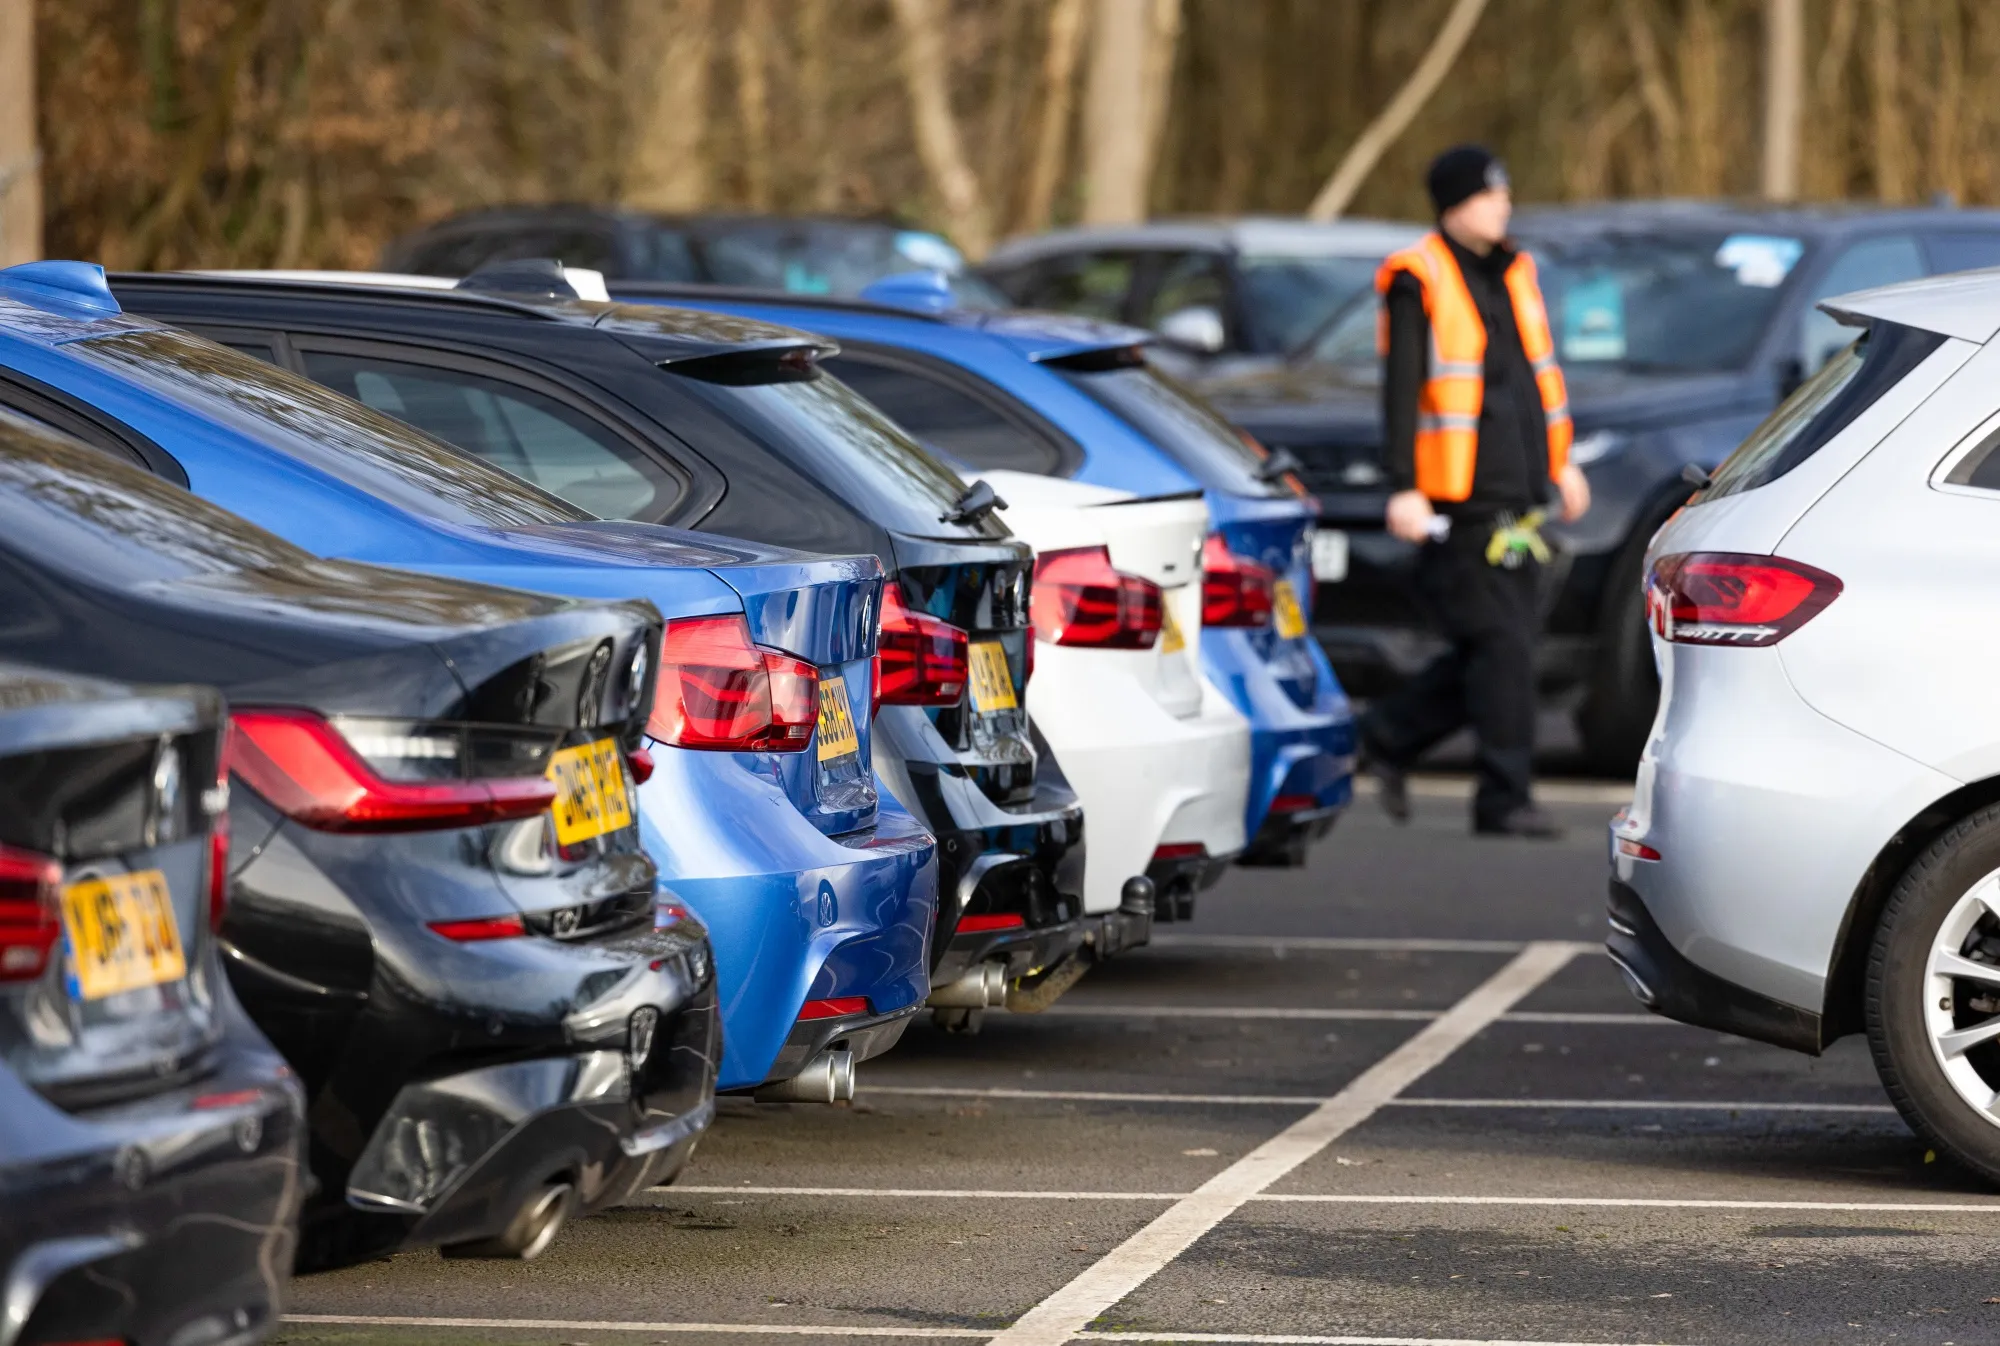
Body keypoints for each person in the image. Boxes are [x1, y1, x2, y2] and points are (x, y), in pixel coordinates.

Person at [1358, 144, 1590, 838]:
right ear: (1456, 203)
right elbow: (1401, 393)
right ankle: (1502, 796)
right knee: (1503, 646)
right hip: (1454, 501)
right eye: (1491, 195)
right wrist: (1404, 488)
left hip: (1518, 496)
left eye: (1504, 194)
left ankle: (1386, 737)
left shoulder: (1515, 273)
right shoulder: (1417, 277)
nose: (1504, 205)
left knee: (1499, 647)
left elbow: (1533, 381)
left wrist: (1562, 462)